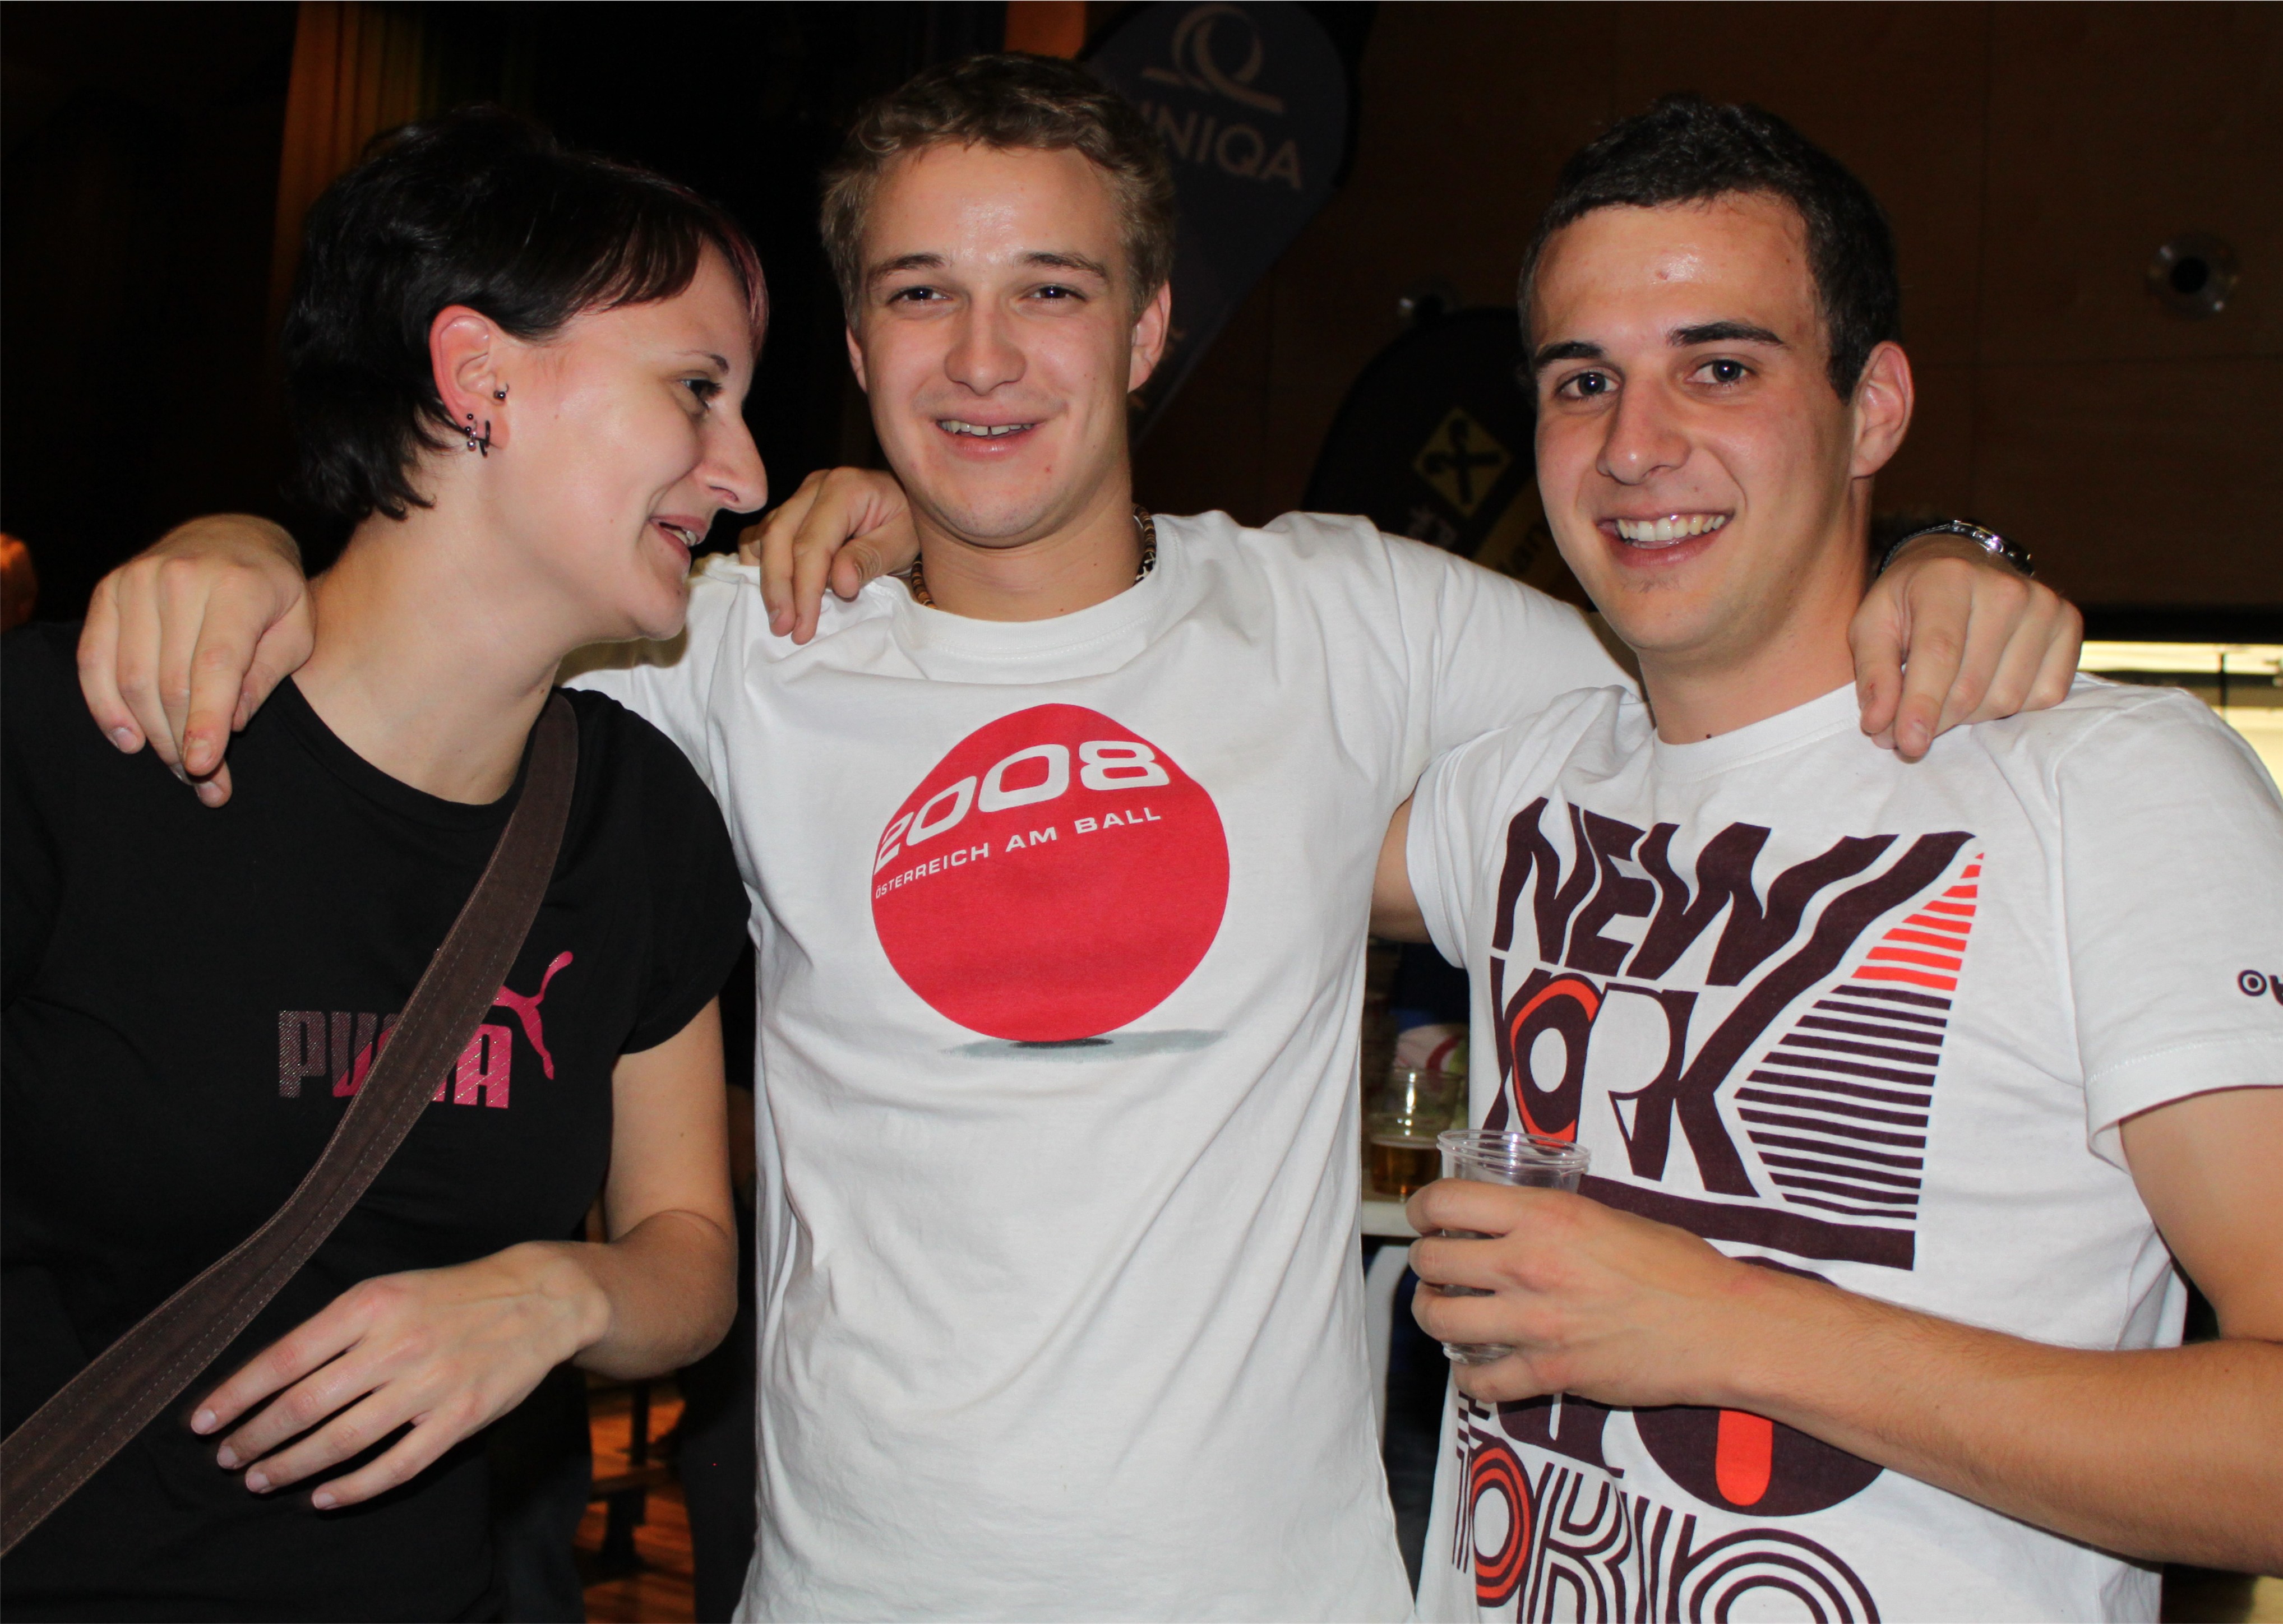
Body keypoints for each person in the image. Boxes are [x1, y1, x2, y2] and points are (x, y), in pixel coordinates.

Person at [72, 58, 2085, 1621]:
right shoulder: (733, 643)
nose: (981, 357)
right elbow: (425, 621)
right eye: (919, 295)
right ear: (852, 350)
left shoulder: (1351, 615)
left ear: (1146, 330)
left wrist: (1938, 556)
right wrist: (235, 545)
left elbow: (1721, 665)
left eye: (1051, 289)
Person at [1374, 95, 2283, 1621]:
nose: (1634, 446)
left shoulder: (2110, 784)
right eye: (1584, 380)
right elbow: (1183, 843)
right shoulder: (1519, 787)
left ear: (1873, 409)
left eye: (1721, 367)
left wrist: (1727, 1324)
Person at [1, 109, 761, 1621]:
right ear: (478, 378)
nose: (740, 468)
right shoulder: (81, 737)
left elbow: (687, 1250)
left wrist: (558, 1293)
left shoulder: (637, 821)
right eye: (696, 389)